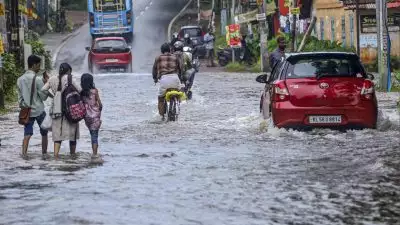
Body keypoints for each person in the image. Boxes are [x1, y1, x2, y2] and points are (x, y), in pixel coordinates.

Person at [42, 63, 81, 159]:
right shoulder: (70, 79)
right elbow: (80, 90)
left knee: (57, 135)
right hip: (70, 108)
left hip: (56, 109)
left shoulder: (52, 79)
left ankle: (55, 157)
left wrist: (54, 95)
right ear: (68, 71)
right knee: (72, 135)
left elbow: (43, 89)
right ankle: (73, 156)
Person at [17, 55, 50, 158]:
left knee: (27, 134)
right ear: (34, 65)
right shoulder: (38, 79)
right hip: (39, 110)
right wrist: (46, 84)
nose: (39, 68)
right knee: (44, 132)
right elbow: (44, 97)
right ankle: (44, 154)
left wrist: (26, 105)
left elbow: (20, 99)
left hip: (27, 111)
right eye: (38, 65)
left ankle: (24, 154)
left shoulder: (20, 79)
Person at [152, 43, 183, 120]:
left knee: (161, 98)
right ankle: (177, 103)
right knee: (178, 93)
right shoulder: (175, 57)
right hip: (175, 79)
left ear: (162, 50)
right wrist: (180, 78)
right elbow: (180, 69)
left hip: (164, 80)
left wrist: (155, 78)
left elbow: (154, 70)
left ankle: (162, 116)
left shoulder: (158, 58)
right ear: (170, 50)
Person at [81, 73, 103, 159]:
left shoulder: (82, 92)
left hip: (86, 117)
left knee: (91, 133)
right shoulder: (95, 91)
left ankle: (93, 153)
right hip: (95, 116)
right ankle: (94, 154)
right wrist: (99, 110)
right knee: (94, 135)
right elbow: (100, 104)